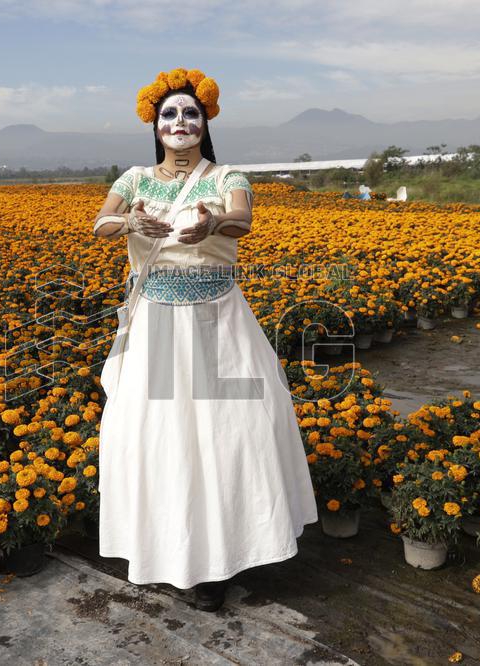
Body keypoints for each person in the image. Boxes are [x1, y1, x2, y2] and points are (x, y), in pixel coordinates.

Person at [92, 68, 318, 613]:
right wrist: (130, 226)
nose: (180, 122)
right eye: (169, 114)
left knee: (230, 434)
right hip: (157, 323)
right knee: (160, 437)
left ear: (205, 121)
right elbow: (100, 223)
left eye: (190, 113)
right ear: (154, 124)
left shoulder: (227, 177)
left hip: (219, 321)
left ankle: (223, 558)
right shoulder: (134, 180)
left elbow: (243, 218)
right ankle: (171, 549)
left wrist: (213, 225)